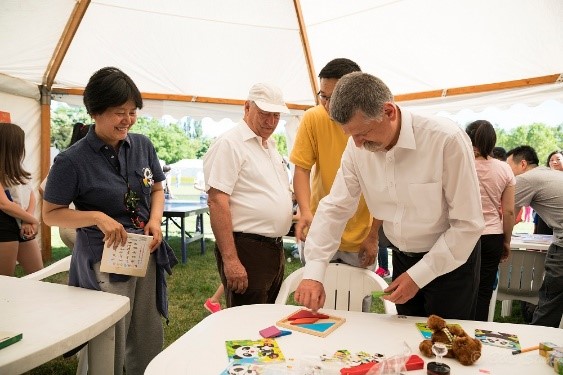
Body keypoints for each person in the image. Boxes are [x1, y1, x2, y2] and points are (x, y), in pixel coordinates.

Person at [294, 72, 485, 320]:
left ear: (389, 112)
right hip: (403, 258)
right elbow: (336, 207)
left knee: (446, 345)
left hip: (452, 262)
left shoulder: (445, 140)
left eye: (363, 133)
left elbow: (468, 224)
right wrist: (314, 271)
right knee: (404, 341)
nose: (358, 144)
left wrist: (419, 276)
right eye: (351, 135)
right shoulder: (356, 147)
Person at [42, 67, 178, 375]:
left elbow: (156, 187)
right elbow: (50, 214)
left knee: (146, 334)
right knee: (108, 340)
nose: (127, 120)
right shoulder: (71, 161)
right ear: (95, 112)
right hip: (103, 260)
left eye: (132, 112)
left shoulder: (142, 144)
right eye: (119, 113)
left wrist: (155, 219)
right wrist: (96, 217)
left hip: (144, 252)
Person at [290, 58, 377, 311]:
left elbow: (383, 188)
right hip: (319, 230)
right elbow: (302, 169)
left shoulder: (372, 122)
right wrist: (306, 212)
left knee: (357, 309)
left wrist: (373, 235)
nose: (327, 105)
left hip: (359, 234)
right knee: (314, 306)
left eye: (334, 97)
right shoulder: (312, 118)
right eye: (322, 96)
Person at [203, 82, 293, 308]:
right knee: (246, 322)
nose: (271, 122)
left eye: (276, 115)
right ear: (246, 108)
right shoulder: (230, 144)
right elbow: (217, 201)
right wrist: (231, 260)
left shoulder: (269, 145)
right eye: (264, 114)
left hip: (274, 248)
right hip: (247, 248)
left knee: (267, 318)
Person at [506, 146, 563, 328]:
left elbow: (509, 214)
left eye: (509, 167)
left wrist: (504, 241)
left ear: (522, 164)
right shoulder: (549, 174)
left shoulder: (526, 179)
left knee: (549, 303)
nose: (508, 173)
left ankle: (540, 344)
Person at [465, 120, 515, 321]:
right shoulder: (504, 169)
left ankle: (456, 335)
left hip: (463, 235)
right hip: (492, 236)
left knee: (460, 289)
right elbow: (509, 211)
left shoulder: (461, 165)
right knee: (484, 291)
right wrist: (507, 241)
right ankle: (476, 337)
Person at [39, 122, 91, 250]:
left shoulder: (64, 161)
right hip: (81, 227)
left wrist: (60, 207)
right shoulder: (75, 163)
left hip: (66, 227)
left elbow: (42, 188)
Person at [0, 122, 43, 276]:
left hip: (22, 220)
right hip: (4, 226)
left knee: (38, 274)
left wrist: (28, 220)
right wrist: (34, 220)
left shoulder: (20, 166)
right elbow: (4, 204)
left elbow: (30, 193)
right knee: (5, 280)